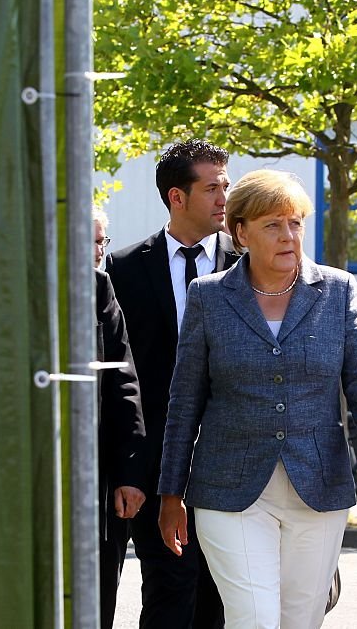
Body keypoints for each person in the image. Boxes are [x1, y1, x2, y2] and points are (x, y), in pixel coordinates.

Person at [157, 169, 357, 628]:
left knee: (300, 620)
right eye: (273, 224)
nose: (288, 236)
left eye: (295, 223)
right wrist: (171, 492)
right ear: (240, 232)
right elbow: (184, 400)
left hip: (318, 485)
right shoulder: (208, 297)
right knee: (254, 619)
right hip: (229, 488)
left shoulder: (337, 291)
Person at [104, 139, 238, 628]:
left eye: (226, 186)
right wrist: (131, 469)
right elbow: (122, 377)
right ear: (176, 198)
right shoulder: (124, 268)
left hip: (233, 462)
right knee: (168, 590)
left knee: (223, 597)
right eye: (211, 188)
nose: (224, 197)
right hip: (159, 466)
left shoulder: (250, 264)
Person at [92, 205, 146, 629]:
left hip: (100, 479)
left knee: (98, 594)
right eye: (88, 241)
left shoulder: (100, 289)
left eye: (101, 241)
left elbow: (123, 384)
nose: (97, 251)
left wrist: (129, 473)